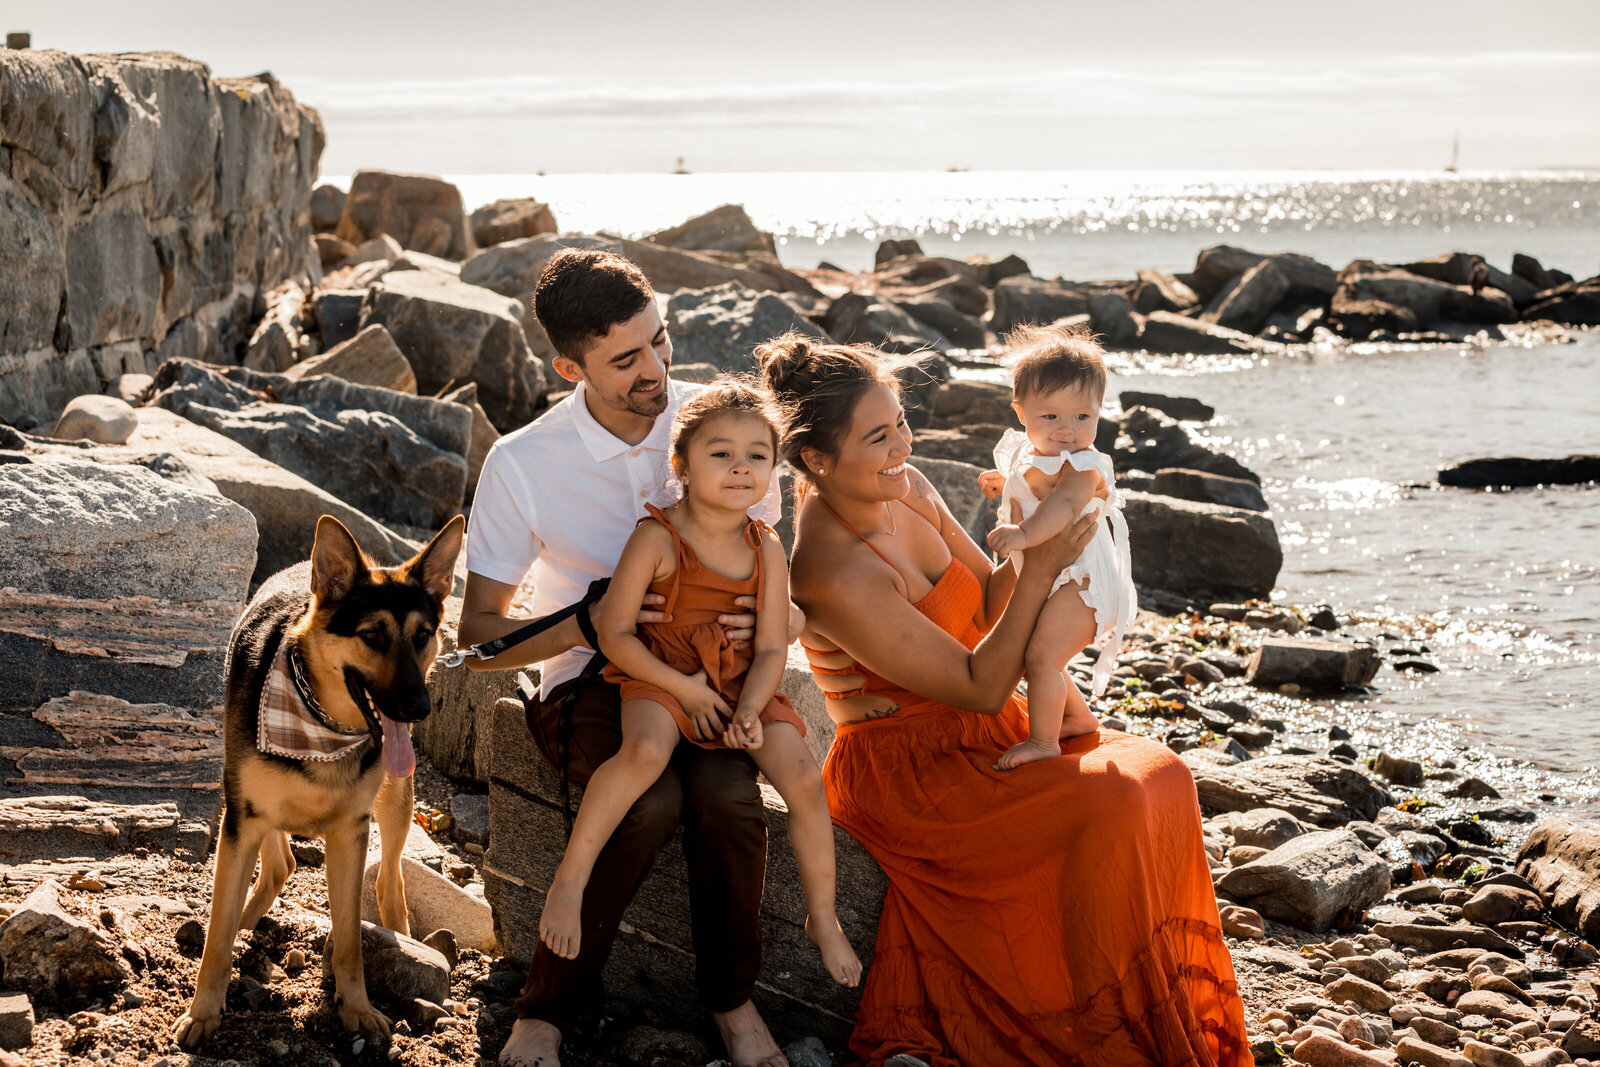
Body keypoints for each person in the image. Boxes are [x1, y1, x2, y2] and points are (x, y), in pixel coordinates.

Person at [760, 333, 1251, 1067]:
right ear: (816, 461)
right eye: (878, 435)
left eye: (900, 422)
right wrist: (1039, 565)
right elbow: (980, 679)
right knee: (1110, 805)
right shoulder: (829, 567)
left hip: (989, 729)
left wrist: (1045, 537)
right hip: (915, 774)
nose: (903, 443)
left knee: (1165, 773)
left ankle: (1134, 1003)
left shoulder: (911, 486)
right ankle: (1092, 1027)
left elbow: (991, 603)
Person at [460, 249, 791, 1067]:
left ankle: (731, 1000)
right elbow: (477, 637)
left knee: (725, 796)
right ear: (570, 365)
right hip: (593, 680)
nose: (658, 368)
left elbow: (773, 566)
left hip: (712, 676)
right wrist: (583, 622)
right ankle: (548, 1006)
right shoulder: (523, 462)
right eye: (627, 358)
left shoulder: (724, 425)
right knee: (646, 803)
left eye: (660, 339)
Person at [540, 378, 862, 989]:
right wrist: (684, 690)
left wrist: (753, 704)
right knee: (645, 752)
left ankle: (823, 916)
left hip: (743, 680)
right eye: (721, 454)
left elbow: (771, 645)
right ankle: (570, 878)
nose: (741, 469)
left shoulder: (765, 546)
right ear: (681, 465)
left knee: (801, 774)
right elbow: (616, 636)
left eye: (757, 456)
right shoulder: (657, 537)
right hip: (662, 675)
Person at [979, 323, 1138, 769]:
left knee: (1042, 655)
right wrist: (1002, 482)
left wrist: (1024, 535)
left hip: (1084, 580)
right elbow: (1026, 482)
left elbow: (1065, 504)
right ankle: (1078, 718)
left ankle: (1045, 742)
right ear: (1021, 411)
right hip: (1051, 575)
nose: (1067, 430)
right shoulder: (1029, 453)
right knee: (1028, 649)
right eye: (1051, 416)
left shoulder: (1086, 466)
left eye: (1083, 417)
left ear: (1099, 413)